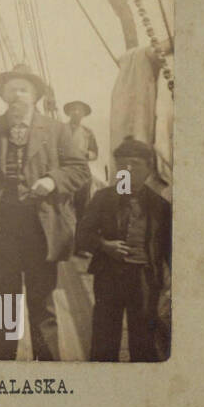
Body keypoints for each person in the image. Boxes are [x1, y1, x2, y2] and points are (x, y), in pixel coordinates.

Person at [0, 63, 89, 361]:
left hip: (40, 230)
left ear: (34, 95)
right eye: (12, 89)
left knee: (42, 304)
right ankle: (2, 368)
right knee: (5, 303)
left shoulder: (56, 131)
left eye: (24, 89)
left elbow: (79, 169)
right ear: (4, 94)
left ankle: (47, 368)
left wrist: (52, 180)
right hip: (1, 228)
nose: (17, 94)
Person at [75, 137, 171, 362]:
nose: (128, 169)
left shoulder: (161, 207)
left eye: (135, 164)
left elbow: (168, 248)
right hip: (108, 276)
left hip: (144, 280)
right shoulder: (103, 199)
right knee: (104, 341)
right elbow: (81, 236)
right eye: (123, 164)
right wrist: (104, 246)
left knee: (143, 342)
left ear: (148, 169)